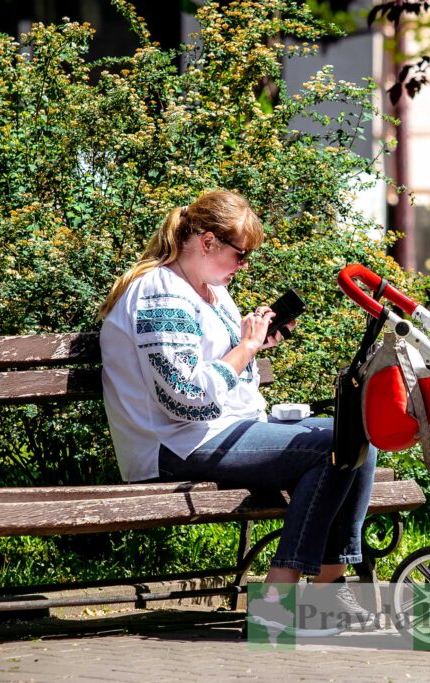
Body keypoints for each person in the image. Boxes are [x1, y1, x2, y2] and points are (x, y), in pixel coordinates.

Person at [98, 190, 377, 624]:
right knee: (332, 447)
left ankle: (326, 588)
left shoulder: (212, 292)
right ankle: (277, 601)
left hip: (220, 431)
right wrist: (245, 349)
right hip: (174, 445)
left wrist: (253, 345)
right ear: (207, 242)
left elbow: (228, 378)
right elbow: (184, 399)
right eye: (240, 255)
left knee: (359, 432)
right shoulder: (159, 294)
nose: (244, 266)